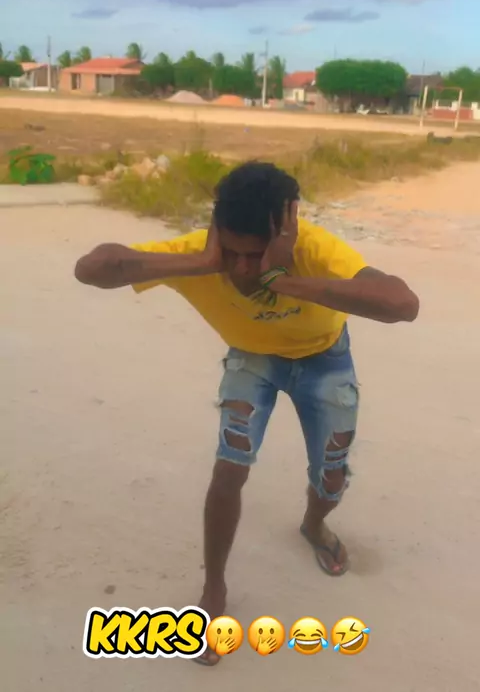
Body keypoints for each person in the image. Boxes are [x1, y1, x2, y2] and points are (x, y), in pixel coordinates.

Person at [75, 161, 419, 666]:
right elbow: (90, 269)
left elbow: (401, 304)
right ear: (217, 232)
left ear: (286, 233)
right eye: (230, 253)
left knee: (331, 477)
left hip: (324, 358)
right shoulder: (202, 254)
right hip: (252, 358)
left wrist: (283, 279)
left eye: (254, 256)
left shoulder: (314, 249)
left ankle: (313, 524)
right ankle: (213, 588)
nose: (239, 270)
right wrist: (201, 263)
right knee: (228, 469)